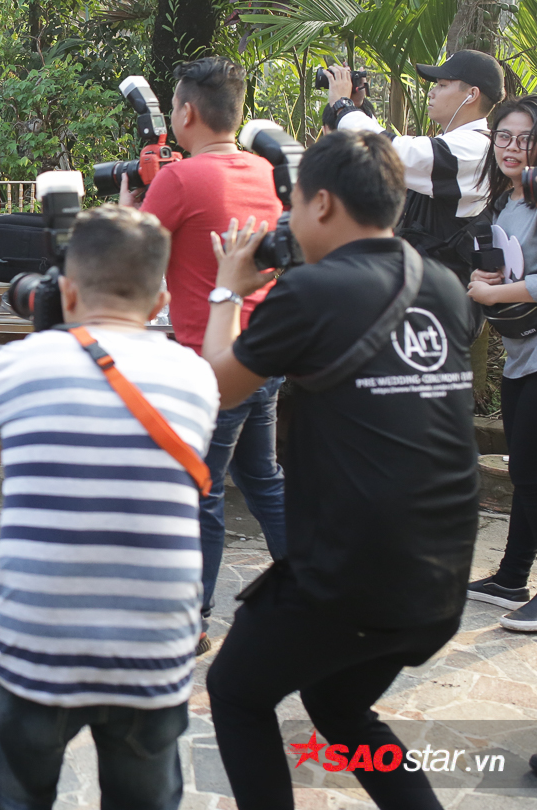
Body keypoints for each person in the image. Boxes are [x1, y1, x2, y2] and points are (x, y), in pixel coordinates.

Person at [202, 130, 480, 809]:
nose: (289, 219)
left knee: (234, 693)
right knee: (339, 706)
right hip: (441, 580)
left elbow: (217, 387)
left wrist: (227, 292)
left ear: (322, 203)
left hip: (352, 580)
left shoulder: (313, 290)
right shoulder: (443, 285)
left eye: (293, 204)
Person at [0, 205, 218, 810]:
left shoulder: (16, 366)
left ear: (65, 292)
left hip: (32, 651)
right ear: (160, 301)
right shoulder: (196, 376)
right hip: (152, 656)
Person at [118, 56, 286, 656]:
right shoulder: (268, 171)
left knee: (200, 493)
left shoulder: (182, 180)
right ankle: (317, 590)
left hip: (210, 366)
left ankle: (192, 620)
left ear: (186, 112)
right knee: (263, 479)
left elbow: (130, 258)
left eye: (173, 106)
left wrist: (128, 207)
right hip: (265, 355)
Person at [329, 50, 504, 281]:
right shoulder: (459, 143)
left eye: (442, 85)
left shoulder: (474, 147)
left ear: (471, 95)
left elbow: (392, 153)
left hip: (444, 289)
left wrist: (343, 106)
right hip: (431, 281)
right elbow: (394, 148)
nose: (432, 92)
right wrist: (359, 107)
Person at [463, 94, 537, 632]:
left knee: (532, 473)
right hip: (520, 355)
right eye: (504, 137)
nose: (512, 147)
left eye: (526, 138)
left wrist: (496, 294)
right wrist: (486, 279)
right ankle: (511, 577)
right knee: (523, 472)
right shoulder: (509, 200)